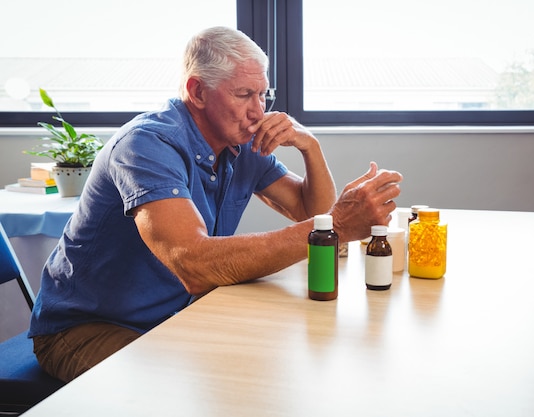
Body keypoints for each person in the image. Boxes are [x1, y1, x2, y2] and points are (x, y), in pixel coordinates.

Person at [28, 26, 402, 382]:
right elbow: (194, 264)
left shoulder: (241, 143)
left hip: (174, 315)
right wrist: (335, 226)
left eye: (263, 95)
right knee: (208, 384)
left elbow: (310, 213)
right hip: (86, 328)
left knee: (286, 360)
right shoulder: (146, 145)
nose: (259, 111)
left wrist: (311, 147)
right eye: (244, 95)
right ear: (198, 91)